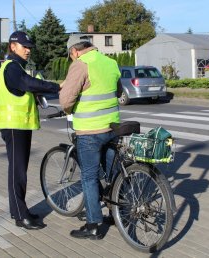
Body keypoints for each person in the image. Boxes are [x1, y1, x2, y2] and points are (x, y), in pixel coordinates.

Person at [59, 35, 122, 239]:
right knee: (113, 174)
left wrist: (68, 105)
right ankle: (117, 213)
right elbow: (118, 90)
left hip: (90, 131)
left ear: (74, 51)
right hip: (112, 127)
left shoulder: (80, 64)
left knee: (89, 177)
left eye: (70, 56)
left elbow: (67, 100)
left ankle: (94, 224)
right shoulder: (110, 62)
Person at [0, 31, 60, 230]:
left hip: (20, 125)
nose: (28, 50)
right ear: (13, 46)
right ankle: (20, 216)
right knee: (18, 172)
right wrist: (55, 87)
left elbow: (28, 87)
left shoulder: (18, 67)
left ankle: (19, 211)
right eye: (25, 47)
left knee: (19, 171)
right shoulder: (12, 68)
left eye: (30, 47)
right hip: (14, 126)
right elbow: (27, 84)